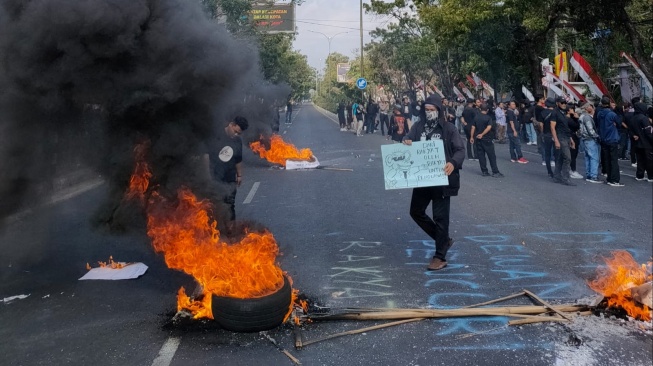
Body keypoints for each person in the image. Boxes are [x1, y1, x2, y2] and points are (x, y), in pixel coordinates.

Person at [402, 94, 465, 271]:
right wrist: (406, 141)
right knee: (416, 211)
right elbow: (407, 139)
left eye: (433, 110)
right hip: (422, 179)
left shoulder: (449, 129)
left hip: (442, 180)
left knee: (441, 218)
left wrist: (452, 163)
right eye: (427, 110)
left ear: (439, 110)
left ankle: (440, 256)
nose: (429, 113)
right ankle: (443, 240)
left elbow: (460, 150)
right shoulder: (418, 127)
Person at [207, 116, 249, 221]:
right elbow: (206, 155)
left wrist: (239, 175)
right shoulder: (216, 136)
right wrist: (206, 175)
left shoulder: (237, 141)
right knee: (215, 204)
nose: (236, 135)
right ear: (231, 124)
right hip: (215, 177)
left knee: (230, 205)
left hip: (230, 178)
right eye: (235, 131)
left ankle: (231, 230)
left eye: (239, 133)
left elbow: (238, 159)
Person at [471, 103, 504, 177]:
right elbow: (489, 127)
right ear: (487, 110)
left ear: (480, 109)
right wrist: (482, 134)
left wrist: (471, 137)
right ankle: (495, 171)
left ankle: (484, 171)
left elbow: (473, 127)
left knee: (481, 155)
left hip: (478, 139)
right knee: (491, 155)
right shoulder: (488, 118)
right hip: (487, 138)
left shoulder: (476, 117)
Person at [597, 96, 623, 186]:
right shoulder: (612, 114)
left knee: (607, 159)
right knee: (614, 160)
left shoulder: (599, 113)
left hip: (603, 139)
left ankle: (609, 178)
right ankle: (614, 180)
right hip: (612, 139)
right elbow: (619, 123)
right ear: (609, 104)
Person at [550, 97, 576, 186]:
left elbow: (566, 127)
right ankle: (566, 178)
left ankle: (557, 176)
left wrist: (571, 139)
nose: (564, 104)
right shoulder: (555, 112)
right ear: (557, 103)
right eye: (562, 102)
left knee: (561, 158)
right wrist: (556, 140)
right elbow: (552, 128)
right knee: (567, 158)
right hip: (560, 137)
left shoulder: (563, 112)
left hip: (566, 136)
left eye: (565, 102)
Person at [578, 103, 602, 183]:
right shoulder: (587, 117)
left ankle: (589, 174)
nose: (592, 108)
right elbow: (590, 129)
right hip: (590, 139)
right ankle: (593, 176)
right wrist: (597, 136)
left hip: (584, 139)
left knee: (588, 157)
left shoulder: (581, 116)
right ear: (587, 108)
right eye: (591, 107)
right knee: (594, 158)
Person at [632, 102, 653, 182]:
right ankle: (650, 176)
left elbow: (630, 130)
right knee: (649, 160)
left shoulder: (633, 118)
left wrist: (634, 135)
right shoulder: (644, 118)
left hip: (637, 143)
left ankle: (639, 175)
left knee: (640, 160)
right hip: (646, 143)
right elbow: (648, 132)